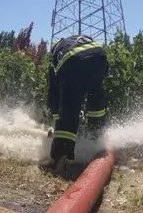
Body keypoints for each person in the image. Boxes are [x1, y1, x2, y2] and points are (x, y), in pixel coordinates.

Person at [43, 35, 109, 170]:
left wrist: (58, 120)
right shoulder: (73, 40)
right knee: (95, 99)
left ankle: (60, 157)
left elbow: (54, 94)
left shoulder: (55, 56)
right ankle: (96, 137)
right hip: (100, 58)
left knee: (69, 109)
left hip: (75, 62)